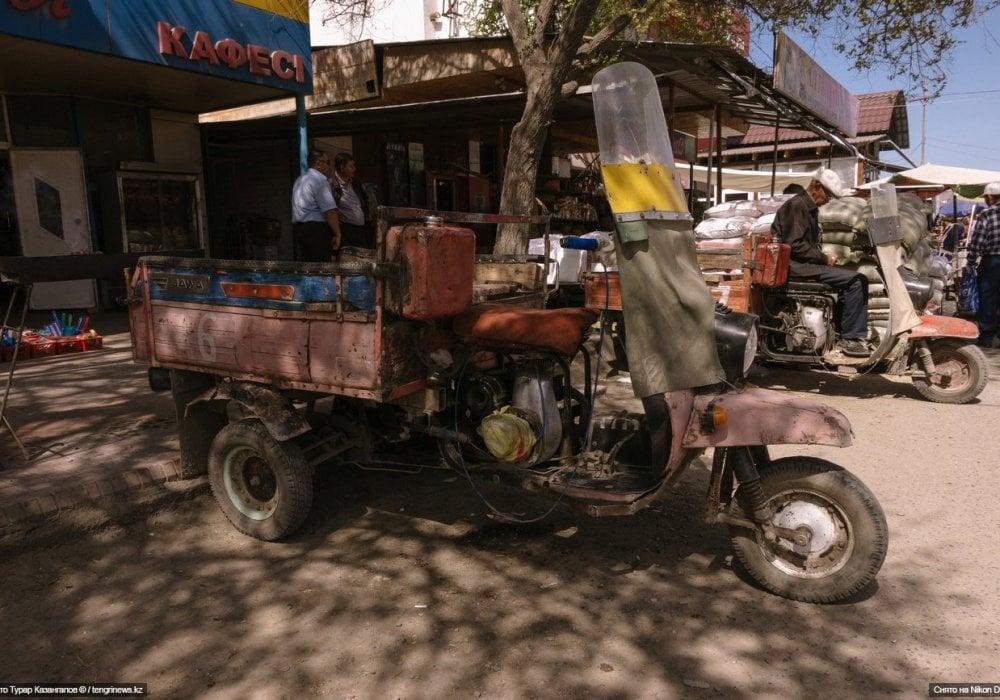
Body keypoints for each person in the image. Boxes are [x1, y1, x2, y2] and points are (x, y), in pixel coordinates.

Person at [772, 168, 872, 357]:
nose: (828, 200)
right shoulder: (797, 206)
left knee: (852, 280)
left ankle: (842, 333)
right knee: (857, 281)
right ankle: (850, 339)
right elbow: (795, 245)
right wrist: (824, 258)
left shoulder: (808, 208)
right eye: (828, 195)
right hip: (796, 268)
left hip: (804, 265)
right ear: (816, 187)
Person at [966, 181, 1000, 347]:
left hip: (993, 261)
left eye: (986, 198)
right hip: (993, 261)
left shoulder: (987, 214)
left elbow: (977, 241)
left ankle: (987, 337)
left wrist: (971, 261)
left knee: (988, 297)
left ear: (990, 197)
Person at [292, 149, 341, 262]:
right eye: (327, 162)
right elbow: (329, 212)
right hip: (316, 230)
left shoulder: (299, 180)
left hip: (300, 229)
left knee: (308, 267)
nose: (329, 167)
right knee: (322, 267)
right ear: (318, 163)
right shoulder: (319, 181)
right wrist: (337, 234)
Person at [331, 152, 372, 249]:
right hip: (346, 231)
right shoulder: (332, 185)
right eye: (351, 166)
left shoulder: (355, 183)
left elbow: (364, 200)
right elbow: (331, 210)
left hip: (361, 230)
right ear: (342, 167)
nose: (354, 169)